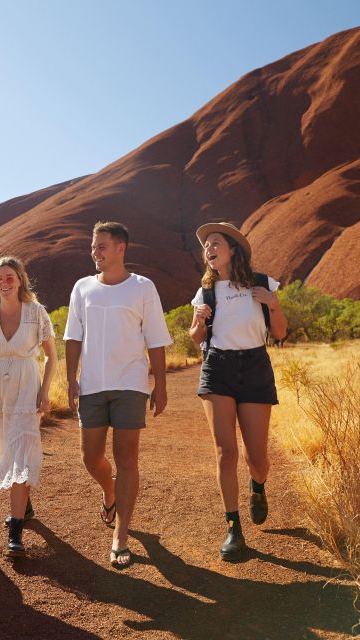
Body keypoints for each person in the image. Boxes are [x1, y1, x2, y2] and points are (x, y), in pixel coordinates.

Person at [64, 221, 173, 569]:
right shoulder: (82, 288)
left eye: (101, 247)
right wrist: (70, 380)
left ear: (121, 248)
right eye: (93, 247)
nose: (95, 253)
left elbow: (155, 337)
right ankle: (110, 492)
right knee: (89, 457)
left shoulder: (142, 288)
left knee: (127, 459)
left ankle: (121, 535)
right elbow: (72, 337)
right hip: (92, 385)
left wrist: (161, 385)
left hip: (131, 384)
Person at [189, 222, 288, 561]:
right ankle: (233, 528)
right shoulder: (205, 293)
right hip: (218, 368)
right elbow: (196, 338)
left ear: (232, 249)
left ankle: (257, 486)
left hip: (256, 367)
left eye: (215, 243)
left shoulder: (261, 284)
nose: (209, 249)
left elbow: (281, 333)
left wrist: (273, 304)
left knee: (256, 458)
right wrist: (198, 322)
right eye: (206, 247)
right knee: (225, 452)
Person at [0, 256, 57, 557]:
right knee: (6, 447)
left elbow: (52, 357)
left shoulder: (36, 312)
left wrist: (44, 391)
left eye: (9, 278)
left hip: (27, 385)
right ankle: (24, 505)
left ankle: (15, 531)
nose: (3, 284)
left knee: (22, 450)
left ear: (20, 280)